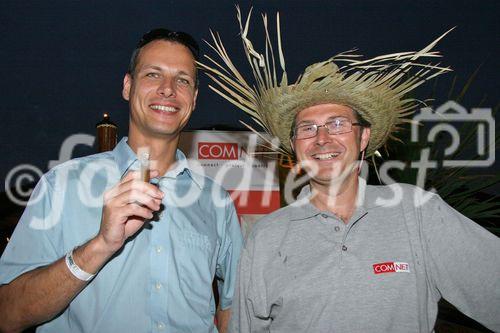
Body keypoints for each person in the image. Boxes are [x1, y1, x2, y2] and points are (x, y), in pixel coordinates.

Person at [199, 9, 500, 333]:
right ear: (294, 145)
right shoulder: (267, 237)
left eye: (338, 123)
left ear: (363, 137)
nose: (322, 138)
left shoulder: (418, 214)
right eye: (308, 128)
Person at [0, 28, 243, 333]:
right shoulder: (61, 186)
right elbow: (7, 314)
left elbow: (232, 305)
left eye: (182, 80)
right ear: (128, 86)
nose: (168, 89)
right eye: (153, 75)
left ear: (194, 99)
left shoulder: (216, 202)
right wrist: (101, 245)